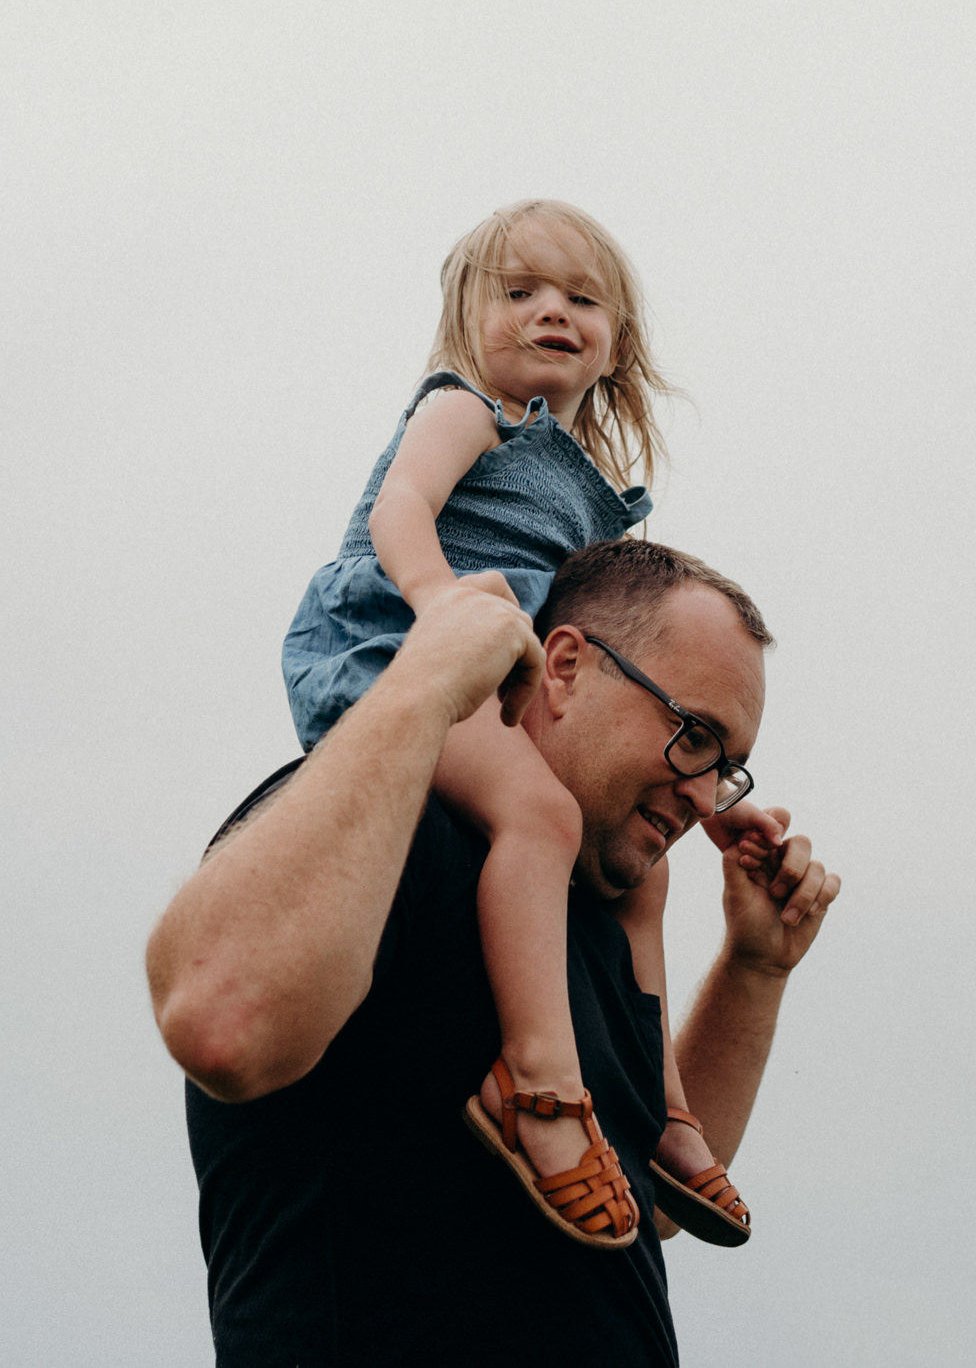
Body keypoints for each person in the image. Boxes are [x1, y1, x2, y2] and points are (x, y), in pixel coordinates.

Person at [147, 539, 841, 1367]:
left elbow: (652, 1208)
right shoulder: (390, 830)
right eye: (693, 735)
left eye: (727, 768)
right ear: (565, 665)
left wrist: (754, 970)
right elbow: (219, 1019)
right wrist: (426, 682)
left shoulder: (584, 929)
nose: (703, 795)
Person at [279, 199, 783, 1246]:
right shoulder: (465, 408)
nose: (552, 311)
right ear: (472, 319)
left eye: (580, 296)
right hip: (387, 649)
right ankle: (536, 1082)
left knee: (645, 875)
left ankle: (664, 1115)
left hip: (481, 671)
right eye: (520, 293)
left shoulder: (591, 488)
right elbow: (398, 511)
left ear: (616, 337)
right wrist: (439, 608)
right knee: (541, 817)